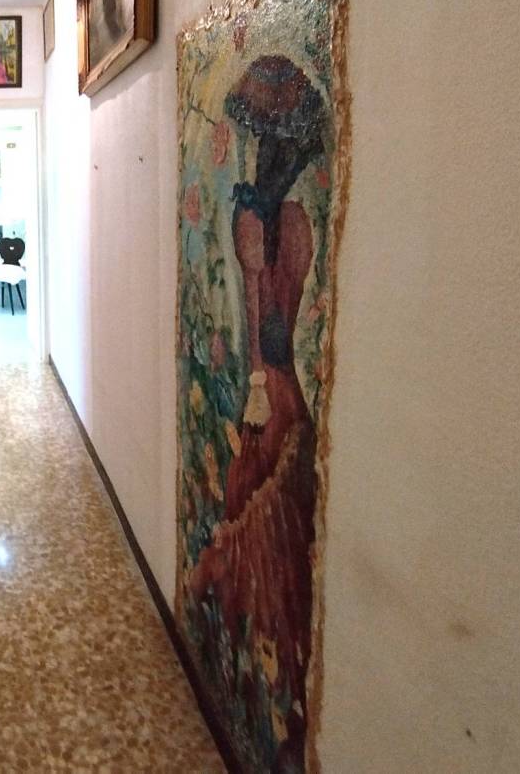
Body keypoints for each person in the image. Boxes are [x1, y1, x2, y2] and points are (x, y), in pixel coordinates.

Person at [188, 54, 324, 772]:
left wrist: (252, 391)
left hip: (268, 389)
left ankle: (275, 690)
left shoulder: (263, 219)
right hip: (281, 390)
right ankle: (281, 691)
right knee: (272, 525)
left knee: (259, 510)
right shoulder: (290, 220)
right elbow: (276, 322)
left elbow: (258, 327)